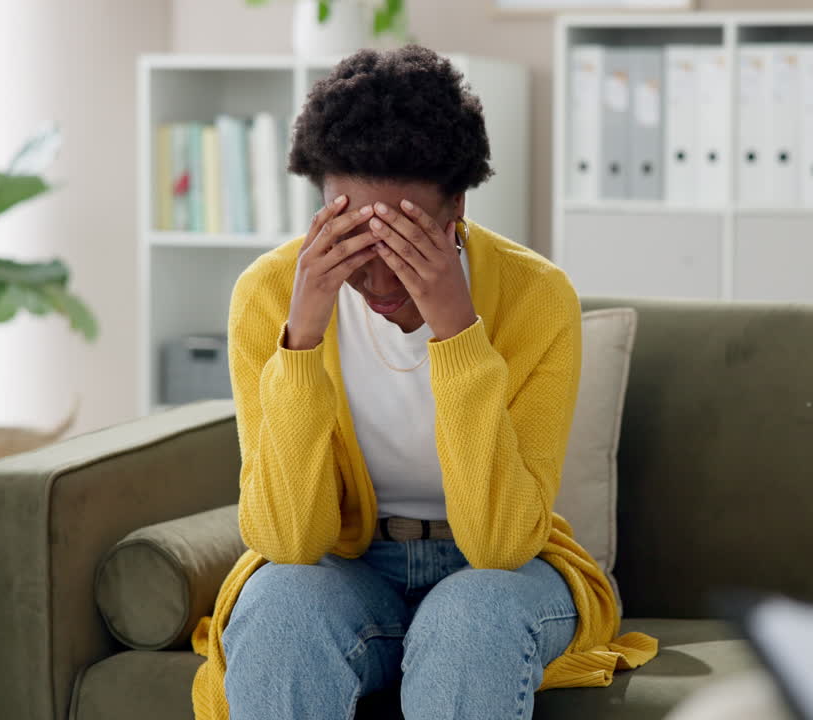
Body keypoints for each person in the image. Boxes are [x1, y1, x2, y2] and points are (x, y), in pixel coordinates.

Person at [189, 45, 657, 720]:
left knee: (470, 617)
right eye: (351, 239)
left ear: (456, 209)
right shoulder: (269, 298)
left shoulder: (536, 297)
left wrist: (457, 331)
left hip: (505, 578)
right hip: (353, 569)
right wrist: (303, 342)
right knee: (280, 606)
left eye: (402, 242)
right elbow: (289, 544)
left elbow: (501, 547)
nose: (377, 280)